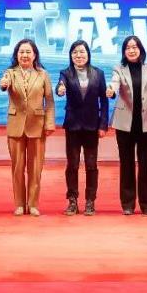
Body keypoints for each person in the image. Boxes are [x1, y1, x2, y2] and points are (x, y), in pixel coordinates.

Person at [107, 35, 147, 216]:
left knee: (145, 165)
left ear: (140, 49)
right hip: (124, 124)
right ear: (124, 51)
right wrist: (111, 90)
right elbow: (114, 83)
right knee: (126, 164)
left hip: (145, 124)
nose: (131, 50)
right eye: (128, 48)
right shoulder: (118, 68)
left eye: (134, 47)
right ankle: (128, 204)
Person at [1, 39, 55, 216]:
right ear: (16, 55)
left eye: (28, 52)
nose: (24, 55)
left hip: (37, 126)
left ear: (34, 55)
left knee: (35, 168)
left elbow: (50, 101)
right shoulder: (10, 73)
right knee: (17, 167)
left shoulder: (43, 74)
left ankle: (32, 204)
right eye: (21, 52)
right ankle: (19, 204)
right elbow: (4, 83)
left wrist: (49, 123)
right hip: (15, 125)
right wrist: (4, 84)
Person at [56, 39, 108, 216]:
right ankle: (72, 201)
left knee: (91, 165)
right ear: (71, 55)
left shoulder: (98, 73)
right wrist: (60, 89)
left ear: (88, 54)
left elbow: (104, 101)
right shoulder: (65, 73)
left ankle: (90, 201)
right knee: (72, 165)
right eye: (75, 52)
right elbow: (60, 86)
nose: (78, 55)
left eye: (82, 52)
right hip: (73, 126)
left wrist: (103, 124)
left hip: (92, 126)